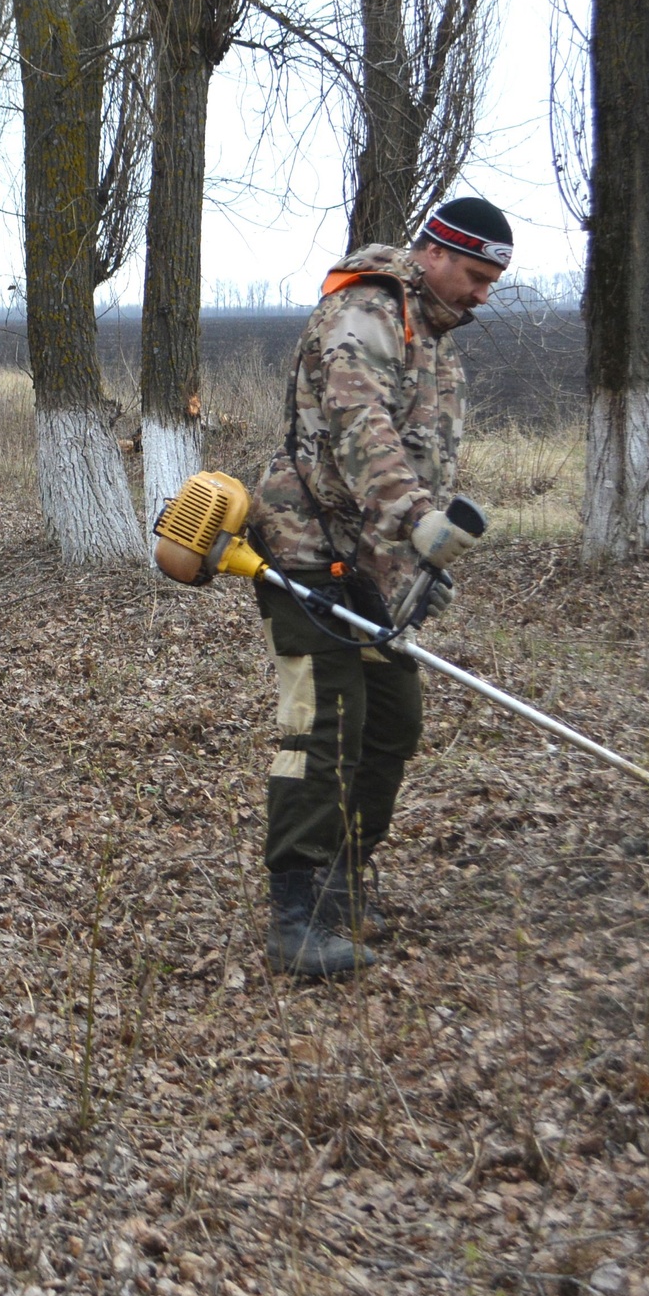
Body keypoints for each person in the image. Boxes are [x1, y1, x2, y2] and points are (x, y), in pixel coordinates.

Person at [245, 197, 510, 979]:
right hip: (304, 550)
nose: (483, 293)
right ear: (432, 252)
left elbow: (421, 449)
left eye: (494, 280)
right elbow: (362, 431)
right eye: (474, 274)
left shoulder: (428, 332)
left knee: (392, 721)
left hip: (369, 563)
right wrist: (418, 520)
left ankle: (343, 879)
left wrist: (410, 565)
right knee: (322, 726)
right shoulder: (363, 316)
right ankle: (298, 912)